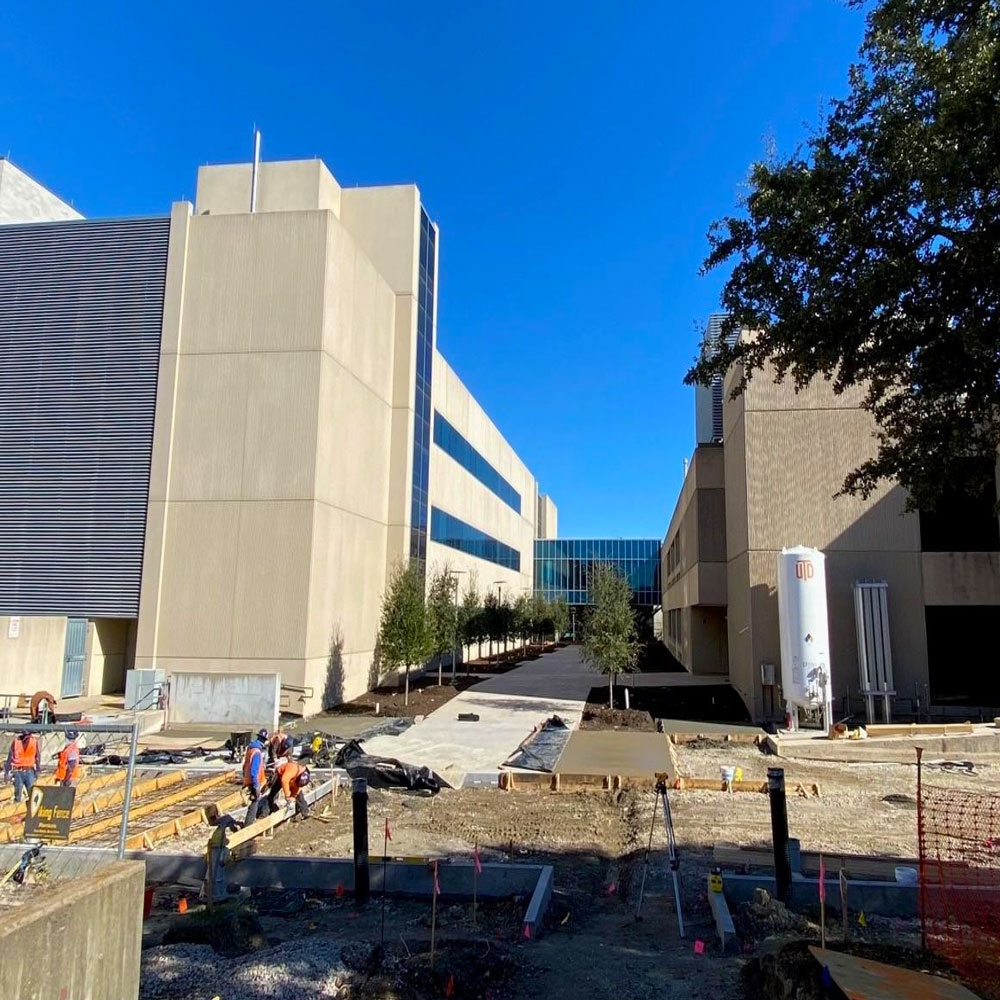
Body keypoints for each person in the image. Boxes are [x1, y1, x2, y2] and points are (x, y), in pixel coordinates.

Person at [3, 730, 40, 804]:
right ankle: (17, 803)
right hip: (18, 771)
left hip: (29, 770)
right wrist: (7, 771)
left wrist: (37, 770)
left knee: (31, 793)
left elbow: (37, 756)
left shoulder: (33, 742)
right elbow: (10, 757)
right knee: (18, 791)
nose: (25, 737)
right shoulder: (16, 742)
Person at [242, 733, 267, 825]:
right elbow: (254, 771)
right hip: (254, 781)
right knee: (254, 802)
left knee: (253, 802)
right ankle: (248, 825)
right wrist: (256, 786)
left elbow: (245, 766)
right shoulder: (257, 752)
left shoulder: (250, 749)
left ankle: (248, 823)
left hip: (248, 780)